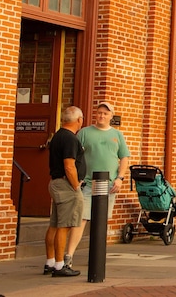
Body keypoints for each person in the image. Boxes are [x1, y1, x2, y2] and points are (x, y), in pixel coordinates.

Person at [64, 101, 130, 269]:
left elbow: (124, 158)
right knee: (81, 219)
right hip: (87, 183)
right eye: (99, 112)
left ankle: (97, 256)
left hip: (109, 185)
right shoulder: (84, 133)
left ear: (110, 116)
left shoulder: (117, 135)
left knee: (100, 221)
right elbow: (75, 157)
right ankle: (68, 255)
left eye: (105, 113)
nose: (101, 116)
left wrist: (120, 178)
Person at [45, 106, 86, 277]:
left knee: (55, 224)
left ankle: (50, 262)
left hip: (57, 183)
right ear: (79, 120)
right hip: (66, 185)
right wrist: (76, 185)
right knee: (65, 225)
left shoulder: (58, 136)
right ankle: (60, 266)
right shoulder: (69, 138)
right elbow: (69, 165)